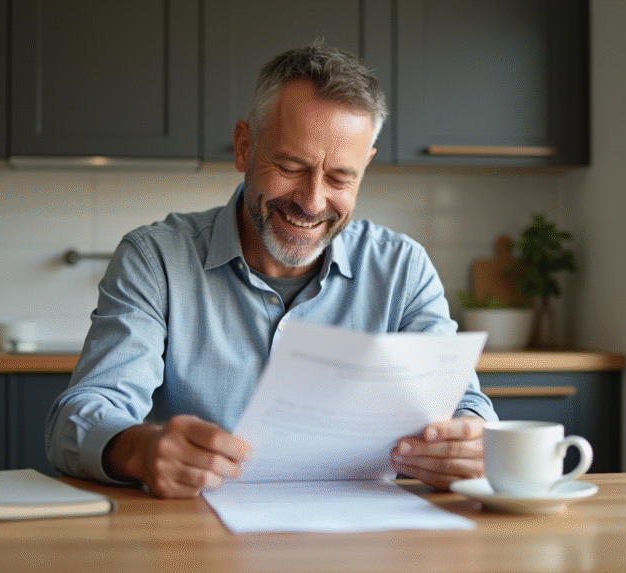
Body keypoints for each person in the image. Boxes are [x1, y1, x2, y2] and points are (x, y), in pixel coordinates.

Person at [46, 42, 497, 499]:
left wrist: (472, 441)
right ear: (244, 147)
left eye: (341, 177)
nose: (312, 201)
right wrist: (140, 450)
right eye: (290, 166)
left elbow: (464, 403)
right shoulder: (155, 260)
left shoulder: (402, 269)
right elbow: (80, 416)